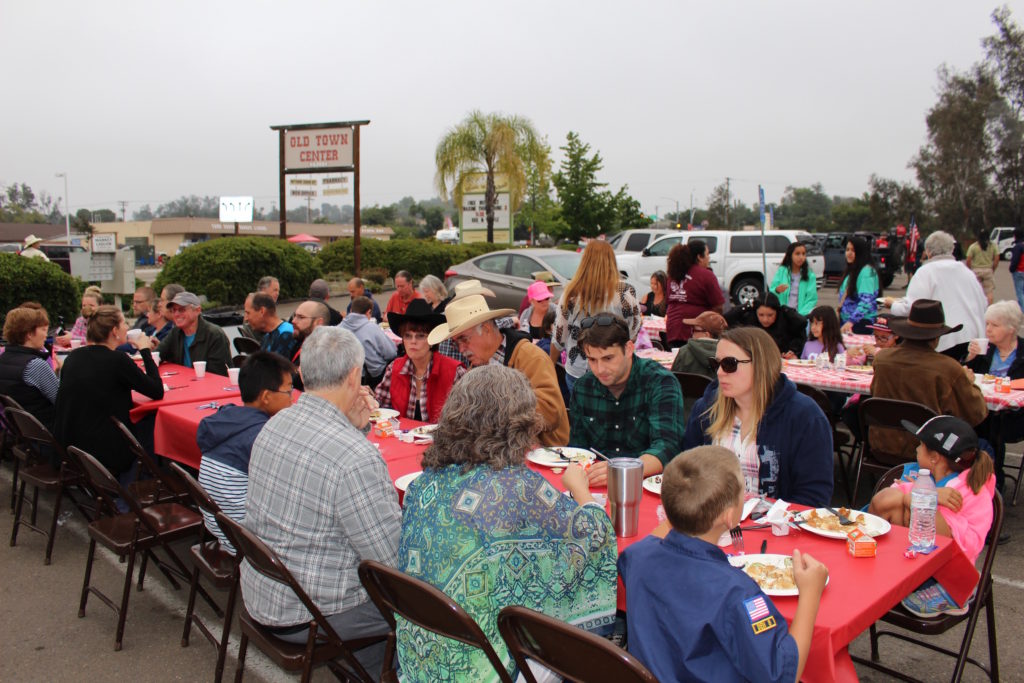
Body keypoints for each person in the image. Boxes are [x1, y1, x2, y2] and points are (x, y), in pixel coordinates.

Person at [397, 365, 617, 682]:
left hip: (421, 658)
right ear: (520, 425)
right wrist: (580, 490)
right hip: (485, 668)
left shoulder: (422, 485)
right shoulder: (517, 489)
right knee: (572, 634)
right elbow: (594, 539)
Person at [242, 326, 397, 677]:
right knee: (430, 608)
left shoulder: (276, 423)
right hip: (308, 611)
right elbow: (390, 563)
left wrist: (355, 430)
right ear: (355, 375)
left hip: (262, 591)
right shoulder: (353, 458)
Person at [619, 446, 828, 683]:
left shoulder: (636, 557)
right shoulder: (738, 592)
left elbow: (652, 546)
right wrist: (811, 592)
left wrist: (677, 512)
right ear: (730, 517)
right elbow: (782, 675)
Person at [683, 327, 834, 506]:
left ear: (761, 364)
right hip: (710, 520)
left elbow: (813, 495)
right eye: (716, 364)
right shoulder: (707, 410)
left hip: (775, 527)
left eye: (729, 364)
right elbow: (686, 472)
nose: (719, 372)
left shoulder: (804, 416)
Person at [869, 417, 995, 617]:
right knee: (899, 504)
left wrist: (918, 498)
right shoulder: (922, 475)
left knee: (916, 510)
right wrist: (923, 495)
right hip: (919, 555)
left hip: (950, 568)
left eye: (920, 445)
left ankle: (959, 589)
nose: (917, 449)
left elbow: (951, 540)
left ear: (935, 457)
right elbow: (879, 503)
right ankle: (891, 567)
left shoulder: (965, 491)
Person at [429, 293, 570, 446]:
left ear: (486, 328)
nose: (461, 348)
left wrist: (493, 408)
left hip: (543, 454)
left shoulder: (531, 357)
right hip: (502, 454)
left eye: (464, 339)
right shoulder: (476, 368)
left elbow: (550, 414)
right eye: (456, 343)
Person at [196, 352, 295, 553]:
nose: (292, 399)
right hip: (250, 543)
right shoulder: (264, 437)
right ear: (266, 397)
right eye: (289, 391)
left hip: (219, 528)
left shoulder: (225, 418)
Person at [568, 313, 684, 485]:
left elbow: (667, 447)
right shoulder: (583, 387)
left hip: (645, 485)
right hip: (595, 484)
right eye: (592, 360)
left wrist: (622, 471)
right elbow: (578, 449)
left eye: (608, 358)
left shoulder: (660, 382)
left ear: (629, 349)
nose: (600, 369)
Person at [870, 300, 988, 460]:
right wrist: (969, 381)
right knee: (985, 438)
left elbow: (874, 394)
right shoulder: (948, 368)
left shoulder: (882, 359)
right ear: (937, 337)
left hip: (881, 444)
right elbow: (976, 413)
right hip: (930, 452)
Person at [53, 305, 162, 478]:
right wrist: (145, 350)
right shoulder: (117, 360)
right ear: (115, 331)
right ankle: (144, 482)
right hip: (104, 450)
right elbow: (157, 391)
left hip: (71, 445)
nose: (127, 326)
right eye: (124, 323)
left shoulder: (74, 356)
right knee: (151, 421)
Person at [552, 240, 642, 393]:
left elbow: (560, 337)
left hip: (579, 370)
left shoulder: (571, 293)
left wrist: (550, 365)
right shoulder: (624, 292)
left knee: (582, 415)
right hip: (616, 369)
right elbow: (633, 331)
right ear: (611, 261)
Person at [886, 231, 986, 358]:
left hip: (944, 340)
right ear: (952, 249)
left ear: (928, 251)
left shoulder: (925, 272)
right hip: (972, 338)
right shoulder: (967, 272)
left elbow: (913, 307)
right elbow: (984, 303)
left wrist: (893, 304)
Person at [965, 300, 1024, 493]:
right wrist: (969, 360)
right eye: (987, 324)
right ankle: (976, 474)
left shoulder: (1022, 352)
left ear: (1011, 328)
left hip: (1015, 415)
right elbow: (966, 376)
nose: (988, 330)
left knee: (994, 423)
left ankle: (992, 479)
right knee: (974, 418)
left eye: (994, 325)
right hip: (983, 409)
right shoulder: (985, 350)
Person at [374, 299, 465, 423]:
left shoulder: (455, 372)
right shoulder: (394, 368)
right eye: (407, 336)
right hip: (401, 440)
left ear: (432, 340)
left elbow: (464, 420)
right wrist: (368, 399)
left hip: (441, 441)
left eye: (420, 336)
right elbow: (379, 407)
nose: (413, 341)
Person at [0, 305, 59, 429]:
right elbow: (62, 400)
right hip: (45, 432)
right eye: (42, 330)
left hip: (19, 430)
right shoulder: (34, 365)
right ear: (29, 334)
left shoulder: (3, 358)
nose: (46, 335)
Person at [154, 291, 231, 376]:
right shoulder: (176, 332)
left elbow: (218, 374)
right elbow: (157, 355)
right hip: (184, 383)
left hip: (210, 386)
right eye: (174, 310)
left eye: (181, 310)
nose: (176, 314)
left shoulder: (215, 335)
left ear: (197, 310)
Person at [665, 239, 724, 346]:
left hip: (673, 328)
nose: (709, 258)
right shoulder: (706, 275)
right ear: (699, 257)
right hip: (698, 332)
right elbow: (718, 306)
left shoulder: (673, 274)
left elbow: (669, 300)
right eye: (707, 254)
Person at [725, 292, 807, 359]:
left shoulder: (785, 318)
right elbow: (727, 319)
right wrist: (747, 306)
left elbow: (802, 323)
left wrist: (793, 350)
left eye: (770, 315)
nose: (765, 319)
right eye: (761, 315)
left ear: (777, 312)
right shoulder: (750, 318)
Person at [340, 296, 397, 388]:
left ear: (351, 310)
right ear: (369, 312)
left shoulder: (339, 328)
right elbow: (391, 353)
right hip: (373, 375)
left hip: (346, 374)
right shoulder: (371, 328)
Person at [838, 236, 880, 335]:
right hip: (849, 323)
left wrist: (851, 321)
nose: (849, 253)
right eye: (847, 249)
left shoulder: (866, 271)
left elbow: (866, 301)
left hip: (860, 323)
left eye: (853, 250)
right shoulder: (852, 270)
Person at [670, 310, 727, 378]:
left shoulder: (684, 352)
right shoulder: (729, 354)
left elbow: (674, 379)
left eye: (694, 330)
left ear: (706, 334)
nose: (692, 333)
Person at [244, 292, 298, 359]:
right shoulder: (267, 337)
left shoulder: (287, 335)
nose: (246, 318)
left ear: (262, 311)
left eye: (248, 313)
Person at [770, 241, 818, 316]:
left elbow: (811, 299)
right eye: (797, 254)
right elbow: (772, 291)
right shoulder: (782, 271)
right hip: (783, 314)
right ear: (790, 255)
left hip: (801, 316)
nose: (801, 257)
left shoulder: (810, 275)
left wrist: (800, 315)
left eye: (803, 254)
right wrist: (777, 290)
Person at [289, 299, 329, 367]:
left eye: (301, 317)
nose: (293, 321)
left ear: (319, 322)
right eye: (294, 316)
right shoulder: (301, 341)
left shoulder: (322, 354)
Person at [966, 228, 999, 304]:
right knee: (989, 292)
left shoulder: (973, 246)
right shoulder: (993, 246)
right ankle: (989, 308)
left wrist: (970, 270)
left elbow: (968, 260)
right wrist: (993, 269)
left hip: (976, 270)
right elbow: (997, 258)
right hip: (988, 270)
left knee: (975, 291)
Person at [1009, 226, 1024, 312]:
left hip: (1019, 271)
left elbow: (1015, 260)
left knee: (1020, 293)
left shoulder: (1018, 247)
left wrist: (1012, 269)